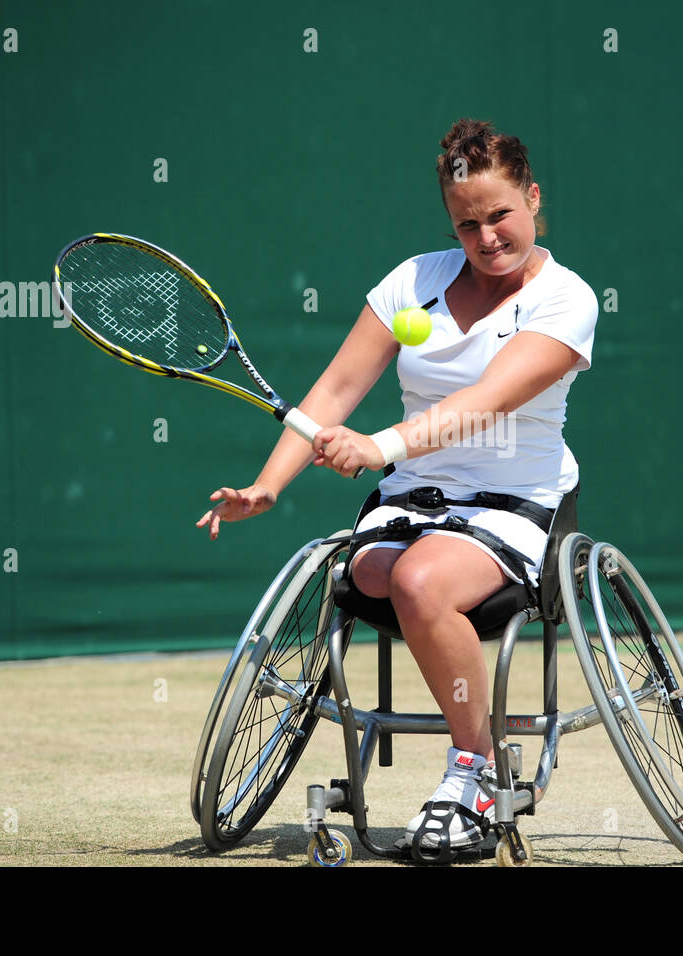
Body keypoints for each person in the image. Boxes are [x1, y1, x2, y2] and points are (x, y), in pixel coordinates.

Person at [196, 119, 598, 851]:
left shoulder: (568, 300)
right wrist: (268, 486)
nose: (486, 237)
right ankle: (463, 752)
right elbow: (335, 390)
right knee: (369, 570)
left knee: (416, 582)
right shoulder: (413, 281)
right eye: (466, 223)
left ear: (534, 199)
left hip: (516, 508)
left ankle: (475, 772)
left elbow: (484, 404)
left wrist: (380, 446)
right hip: (411, 501)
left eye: (500, 215)